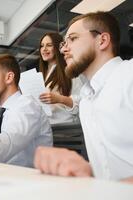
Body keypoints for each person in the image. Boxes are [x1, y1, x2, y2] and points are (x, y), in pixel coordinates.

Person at [34, 11, 133, 183]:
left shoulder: (129, 75)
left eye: (73, 39)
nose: (64, 49)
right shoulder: (87, 101)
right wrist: (85, 172)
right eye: (64, 43)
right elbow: (109, 170)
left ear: (102, 41)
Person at [38, 32, 83, 124]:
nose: (44, 49)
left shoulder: (70, 70)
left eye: (49, 45)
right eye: (42, 46)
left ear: (58, 48)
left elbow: (82, 102)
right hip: (48, 127)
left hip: (67, 129)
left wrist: (60, 99)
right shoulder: (42, 75)